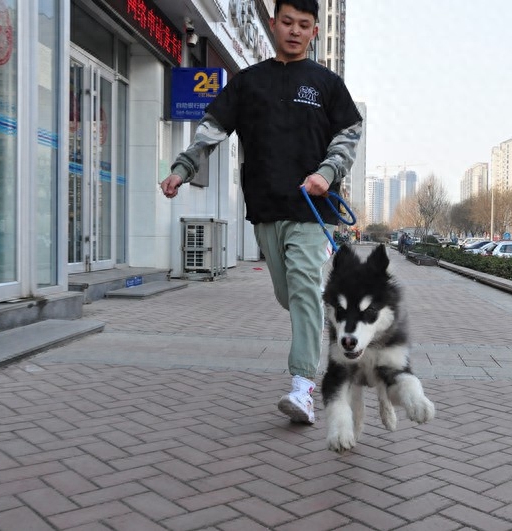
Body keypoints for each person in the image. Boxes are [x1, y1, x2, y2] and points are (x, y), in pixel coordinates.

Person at [159, 0, 362, 425]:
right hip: (266, 208)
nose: (293, 30)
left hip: (313, 208)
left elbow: (348, 133)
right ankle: (328, 319)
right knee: (289, 296)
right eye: (286, 22)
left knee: (304, 287)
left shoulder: (327, 84)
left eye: (303, 25)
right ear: (273, 25)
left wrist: (327, 172)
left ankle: (304, 388)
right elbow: (211, 129)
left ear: (314, 32)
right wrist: (183, 168)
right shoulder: (249, 82)